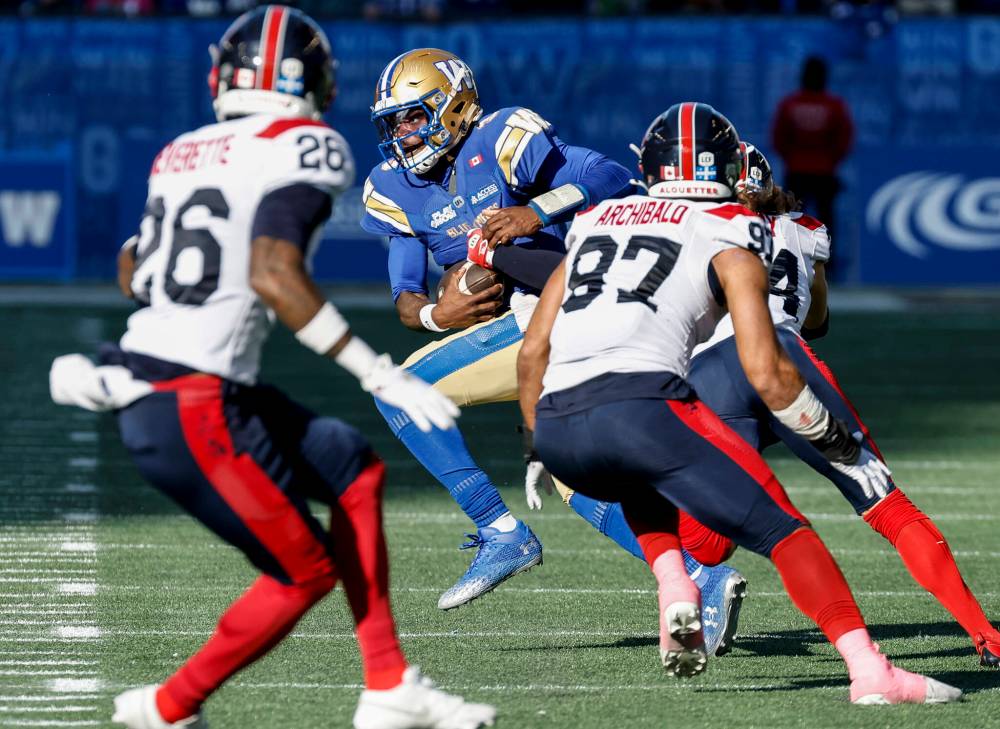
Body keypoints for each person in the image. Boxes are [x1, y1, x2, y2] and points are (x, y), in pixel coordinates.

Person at [49, 7, 495, 728]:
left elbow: (134, 269)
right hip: (187, 400)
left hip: (182, 382)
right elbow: (272, 271)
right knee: (305, 571)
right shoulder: (305, 143)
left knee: (352, 466)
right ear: (314, 80)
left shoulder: (183, 150)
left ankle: (388, 685)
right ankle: (167, 705)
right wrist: (378, 371)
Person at [518, 101, 962, 703]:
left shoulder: (596, 219)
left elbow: (533, 350)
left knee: (640, 479)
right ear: (727, 166)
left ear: (649, 165)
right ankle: (870, 671)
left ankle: (675, 583)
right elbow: (766, 369)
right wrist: (826, 432)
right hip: (641, 405)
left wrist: (536, 437)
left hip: (558, 424)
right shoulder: (730, 226)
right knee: (788, 531)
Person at [683, 142, 1000, 668]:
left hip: (714, 370)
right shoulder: (807, 230)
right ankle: (984, 634)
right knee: (886, 504)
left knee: (709, 543)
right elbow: (817, 321)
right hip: (786, 358)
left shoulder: (694, 223)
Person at [361, 48, 638, 610]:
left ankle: (501, 530)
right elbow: (406, 298)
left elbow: (611, 175)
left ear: (454, 103)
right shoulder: (394, 187)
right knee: (571, 476)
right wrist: (440, 316)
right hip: (527, 330)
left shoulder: (500, 138)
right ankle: (699, 577)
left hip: (569, 307)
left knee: (400, 388)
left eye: (414, 117)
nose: (404, 134)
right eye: (394, 123)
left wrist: (535, 214)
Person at [772, 56, 853, 270]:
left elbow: (779, 139)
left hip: (797, 171)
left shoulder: (790, 105)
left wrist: (792, 159)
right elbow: (844, 139)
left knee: (792, 221)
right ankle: (827, 266)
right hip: (824, 172)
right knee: (826, 223)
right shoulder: (834, 106)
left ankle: (790, 262)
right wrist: (830, 161)